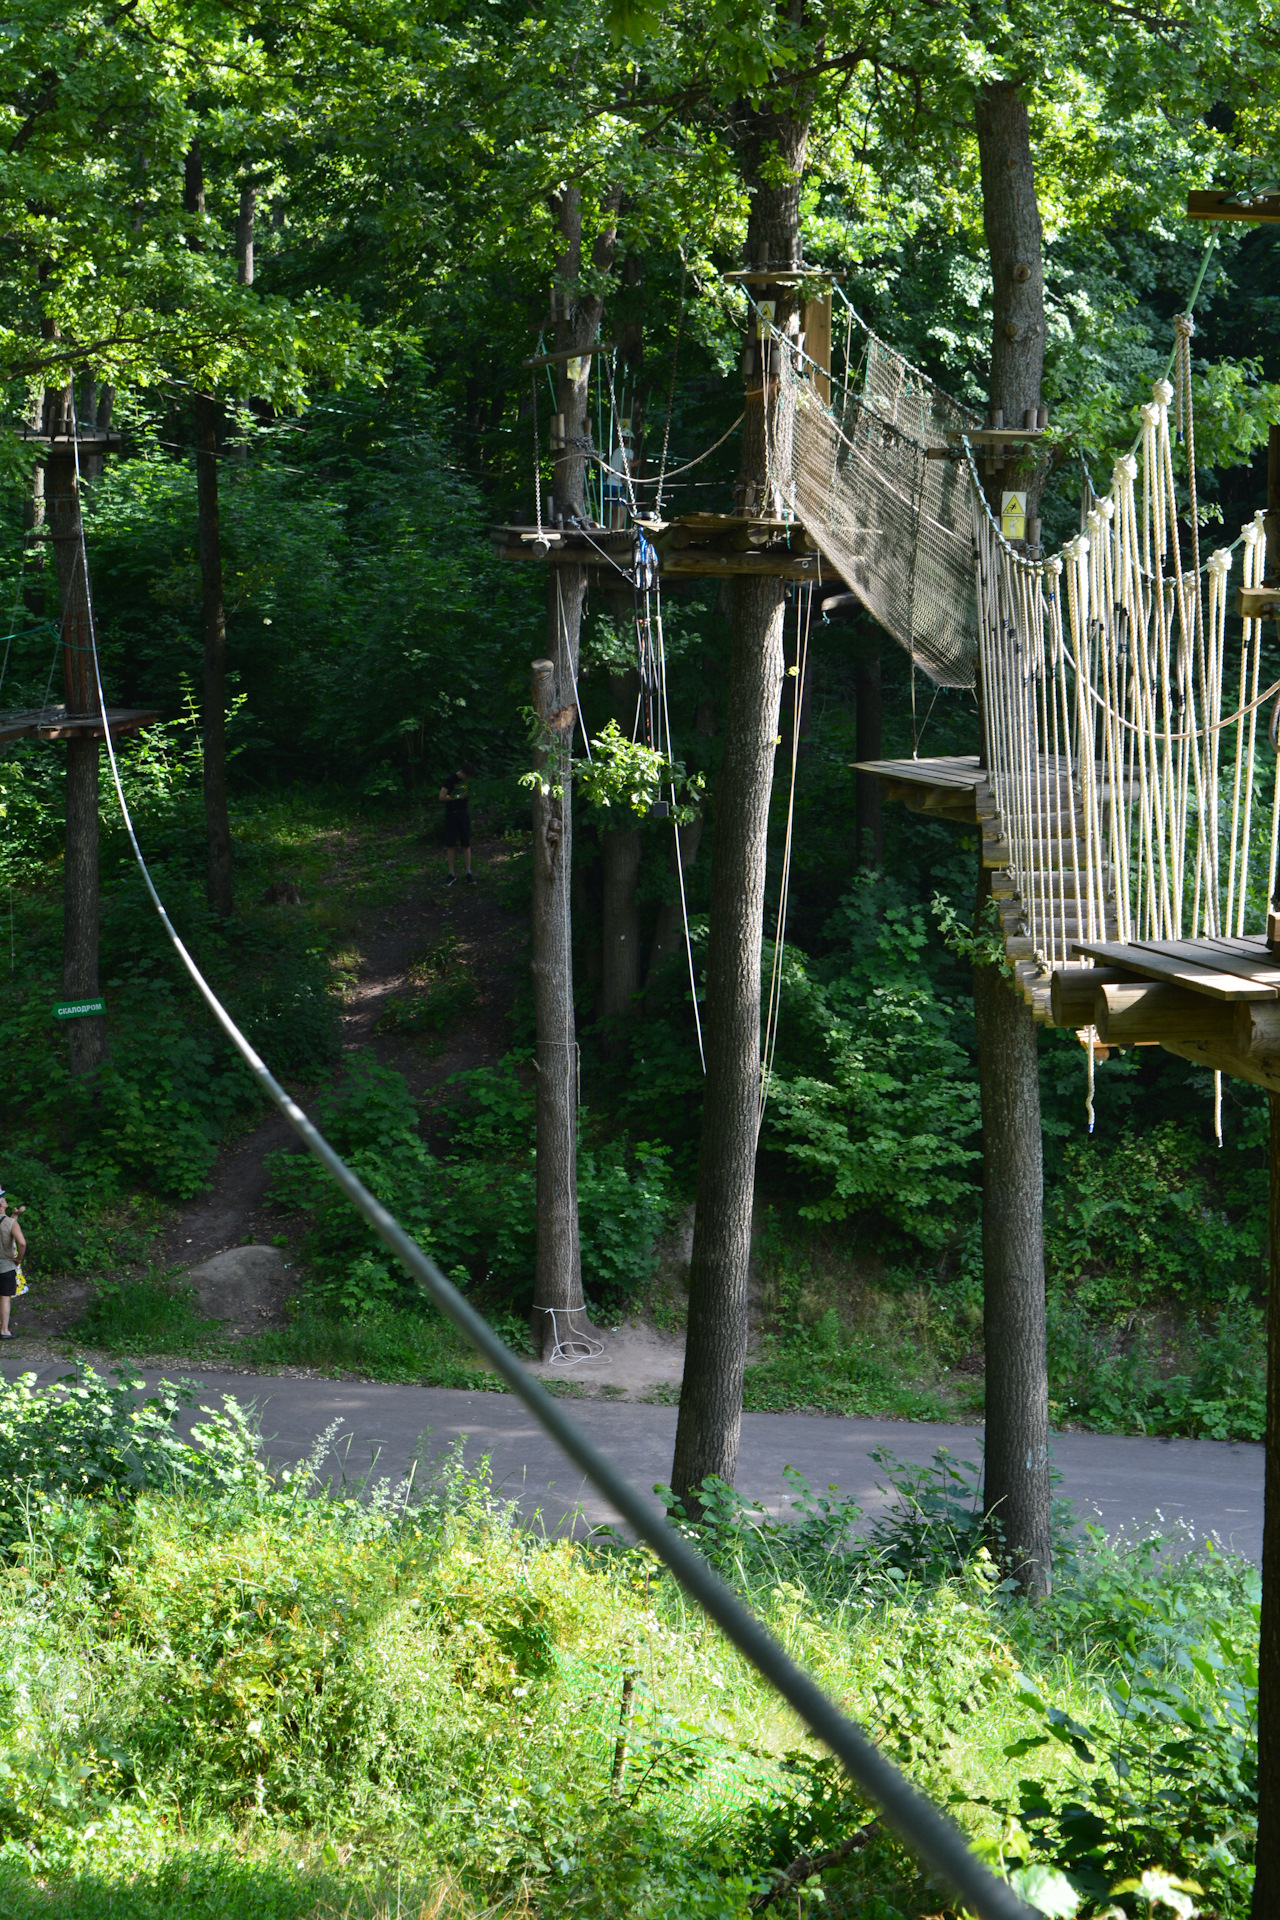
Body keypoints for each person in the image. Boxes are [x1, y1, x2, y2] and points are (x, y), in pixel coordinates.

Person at [439, 761, 477, 884]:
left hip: (463, 813)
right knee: (451, 844)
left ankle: (468, 872)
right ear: (463, 773)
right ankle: (451, 873)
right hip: (452, 814)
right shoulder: (450, 780)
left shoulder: (467, 782)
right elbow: (441, 797)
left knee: (466, 843)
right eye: (468, 776)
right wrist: (455, 797)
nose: (469, 778)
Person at [0, 1189, 27, 1340]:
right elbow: (22, 1243)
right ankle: (4, 1330)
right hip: (5, 1266)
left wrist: (15, 1216)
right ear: (2, 1204)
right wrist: (18, 1259)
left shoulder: (11, 1221)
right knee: (4, 1297)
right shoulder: (11, 1223)